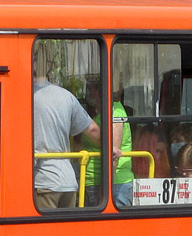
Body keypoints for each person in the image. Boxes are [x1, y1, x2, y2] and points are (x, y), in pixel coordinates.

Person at [33, 54, 106, 209]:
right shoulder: (66, 96)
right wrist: (110, 148)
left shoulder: (26, 96)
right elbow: (92, 129)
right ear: (49, 69)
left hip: (43, 182)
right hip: (68, 182)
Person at [80, 77, 134, 207]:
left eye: (90, 88)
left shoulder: (115, 111)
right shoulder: (101, 113)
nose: (89, 92)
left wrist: (105, 193)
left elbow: (113, 155)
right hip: (94, 181)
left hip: (113, 185)